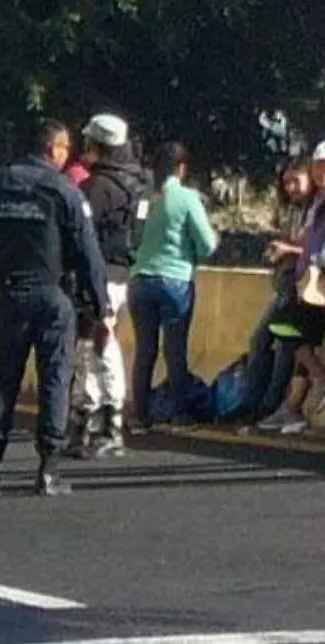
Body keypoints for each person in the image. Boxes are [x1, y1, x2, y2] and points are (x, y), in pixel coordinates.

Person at [0, 119, 110, 498]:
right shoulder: (64, 190)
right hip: (53, 299)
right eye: (65, 149)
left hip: (11, 298)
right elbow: (89, 256)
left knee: (1, 383)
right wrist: (101, 307)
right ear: (54, 149)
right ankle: (47, 472)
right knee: (55, 382)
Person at [255, 140, 325, 435]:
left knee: (284, 328)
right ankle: (292, 409)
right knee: (301, 338)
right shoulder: (321, 202)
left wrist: (310, 258)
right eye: (318, 165)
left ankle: (321, 375)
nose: (321, 172)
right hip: (312, 282)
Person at [66, 113, 150, 458]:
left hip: (96, 275)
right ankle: (99, 422)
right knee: (98, 344)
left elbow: (79, 236)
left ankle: (99, 422)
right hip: (122, 275)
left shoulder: (96, 188)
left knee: (95, 347)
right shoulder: (143, 186)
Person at [128, 140, 219, 432]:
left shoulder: (144, 198)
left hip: (140, 279)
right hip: (175, 280)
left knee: (145, 350)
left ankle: (139, 413)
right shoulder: (187, 198)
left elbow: (132, 237)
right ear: (181, 168)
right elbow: (206, 244)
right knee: (174, 349)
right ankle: (180, 412)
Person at [238, 161, 311, 427]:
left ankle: (270, 405)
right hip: (284, 286)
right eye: (287, 183)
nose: (291, 188)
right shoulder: (294, 211)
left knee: (283, 347)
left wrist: (288, 250)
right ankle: (252, 402)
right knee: (259, 342)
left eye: (296, 181)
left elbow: (321, 250)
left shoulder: (316, 211)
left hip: (301, 290)